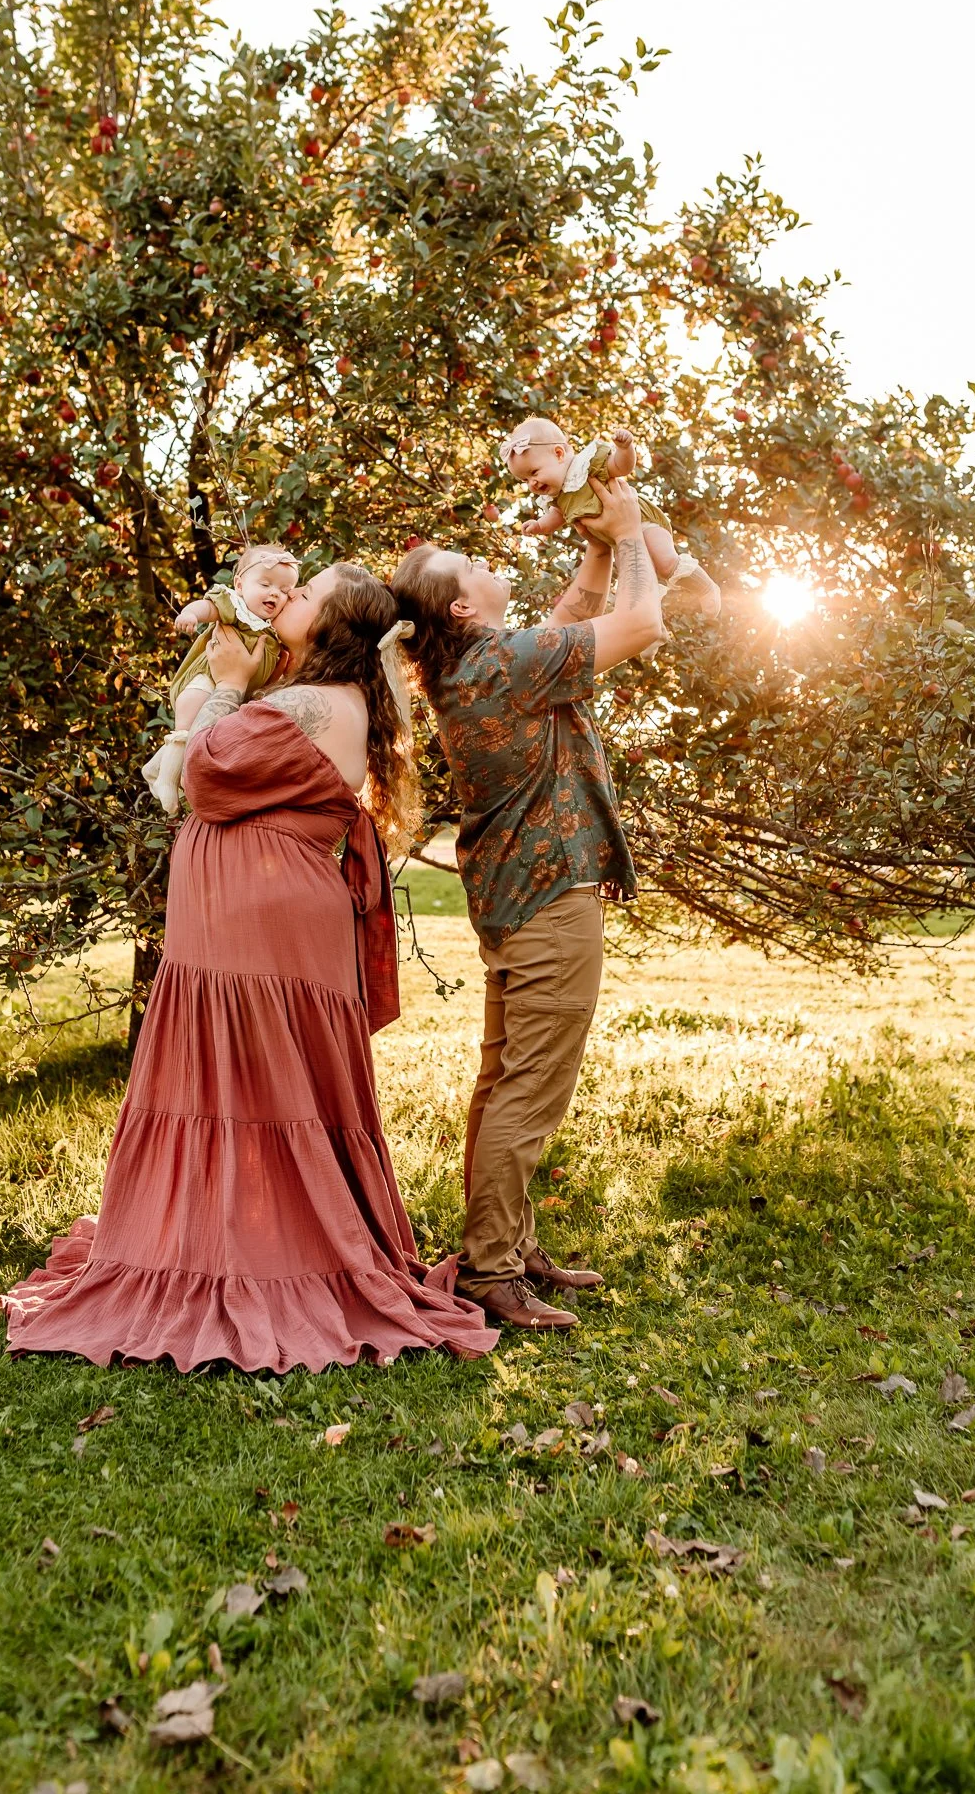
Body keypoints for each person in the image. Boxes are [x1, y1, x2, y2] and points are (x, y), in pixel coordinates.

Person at [3, 563, 496, 1374]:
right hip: (260, 914)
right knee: (260, 1082)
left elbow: (204, 776)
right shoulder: (325, 697)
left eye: (306, 594)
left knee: (249, 1081)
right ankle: (237, 1230)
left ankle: (245, 1251)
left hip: (257, 923)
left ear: (334, 624)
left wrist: (228, 683)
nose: (288, 596)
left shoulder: (305, 702)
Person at [392, 478, 720, 1332]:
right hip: (547, 901)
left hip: (515, 899)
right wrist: (636, 527)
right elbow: (640, 624)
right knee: (529, 1092)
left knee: (504, 1081)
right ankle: (491, 1273)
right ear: (461, 608)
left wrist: (604, 543)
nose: (484, 558)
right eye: (468, 564)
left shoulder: (482, 661)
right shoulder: (504, 664)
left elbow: (576, 607)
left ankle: (504, 1243)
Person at [500, 417, 717, 623]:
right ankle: (653, 635)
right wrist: (538, 526)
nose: (532, 483)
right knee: (635, 586)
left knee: (665, 562)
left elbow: (621, 467)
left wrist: (625, 449)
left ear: (558, 453)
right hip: (619, 540)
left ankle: (706, 588)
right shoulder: (558, 498)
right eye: (525, 479)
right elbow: (554, 518)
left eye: (534, 472)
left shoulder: (586, 466)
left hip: (643, 522)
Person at [141, 544, 299, 816]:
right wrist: (191, 614)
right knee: (192, 708)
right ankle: (168, 778)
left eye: (285, 591)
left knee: (209, 733)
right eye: (265, 583)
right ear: (239, 584)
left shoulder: (275, 629)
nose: (275, 593)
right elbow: (208, 606)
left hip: (235, 695)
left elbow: (271, 673)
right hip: (208, 678)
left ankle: (158, 767)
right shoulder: (236, 608)